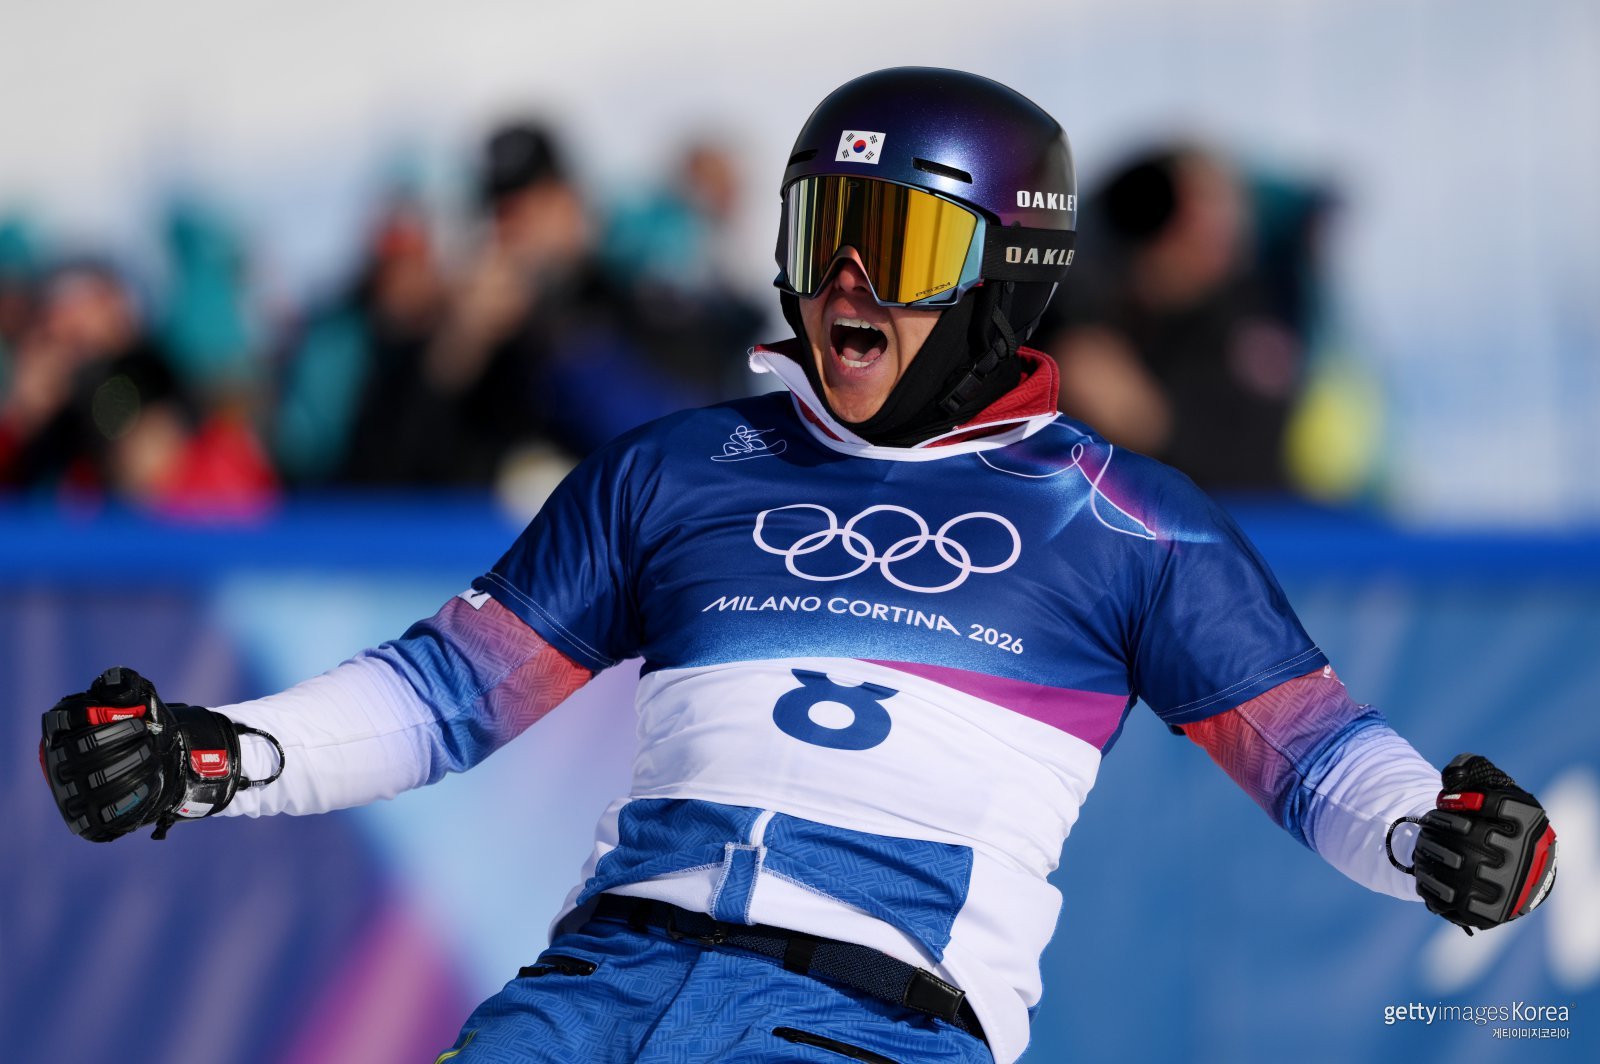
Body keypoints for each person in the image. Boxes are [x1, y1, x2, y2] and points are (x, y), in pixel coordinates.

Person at [39, 68, 1558, 1064]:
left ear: (1006, 274)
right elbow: (444, 694)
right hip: (592, 996)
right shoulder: (678, 467)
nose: (845, 282)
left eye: (899, 245)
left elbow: (1318, 757)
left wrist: (1440, 835)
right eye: (825, 229)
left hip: (871, 1019)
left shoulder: (1122, 520)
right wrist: (212, 755)